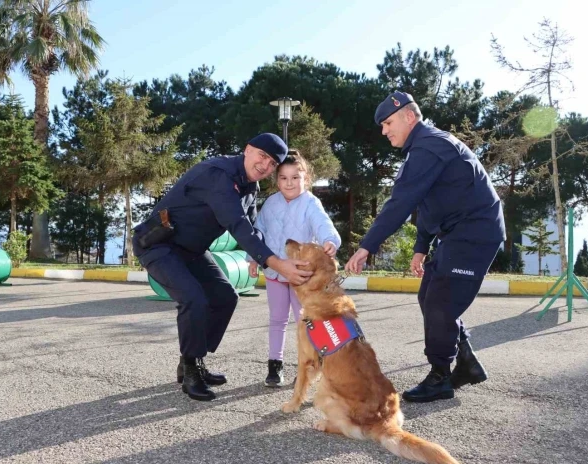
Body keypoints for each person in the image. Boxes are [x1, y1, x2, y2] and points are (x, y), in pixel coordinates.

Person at [345, 91, 506, 403]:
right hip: (458, 232)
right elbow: (429, 204)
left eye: (388, 122)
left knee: (441, 303)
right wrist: (421, 246)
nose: (384, 130)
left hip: (474, 233)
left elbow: (401, 202)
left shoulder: (429, 146)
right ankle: (467, 364)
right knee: (429, 294)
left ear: (409, 116)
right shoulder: (425, 147)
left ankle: (440, 376)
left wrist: (367, 246)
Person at [133, 133, 314, 402]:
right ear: (247, 150)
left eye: (272, 163)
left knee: (225, 296)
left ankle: (191, 359)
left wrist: (258, 255)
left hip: (191, 249)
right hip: (159, 245)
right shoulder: (217, 175)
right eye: (262, 156)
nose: (265, 166)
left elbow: (253, 229)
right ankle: (192, 370)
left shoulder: (249, 187)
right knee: (193, 297)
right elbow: (238, 227)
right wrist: (277, 265)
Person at [247, 150, 341, 387]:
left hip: (302, 276)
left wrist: (330, 240)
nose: (289, 183)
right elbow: (258, 232)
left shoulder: (311, 203)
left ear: (305, 178)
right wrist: (252, 259)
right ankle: (274, 366)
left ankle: (311, 366)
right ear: (276, 180)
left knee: (308, 321)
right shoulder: (270, 203)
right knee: (277, 319)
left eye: (295, 177)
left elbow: (323, 224)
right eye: (283, 178)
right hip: (275, 273)